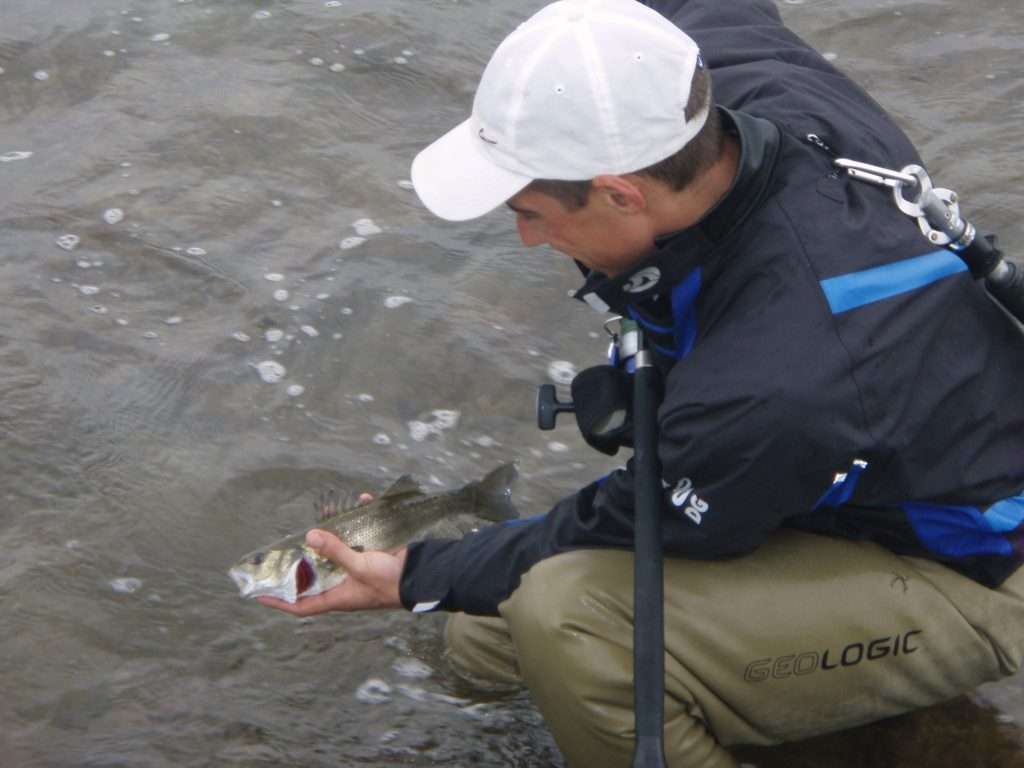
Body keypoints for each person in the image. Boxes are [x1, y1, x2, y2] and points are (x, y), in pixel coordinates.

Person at [258, 1, 1024, 765]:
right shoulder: (729, 87)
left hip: (977, 565)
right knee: (481, 636)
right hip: (848, 468)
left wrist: (416, 572)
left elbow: (636, 520)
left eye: (531, 213)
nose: (526, 236)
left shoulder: (771, 383)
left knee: (564, 616)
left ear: (622, 193)